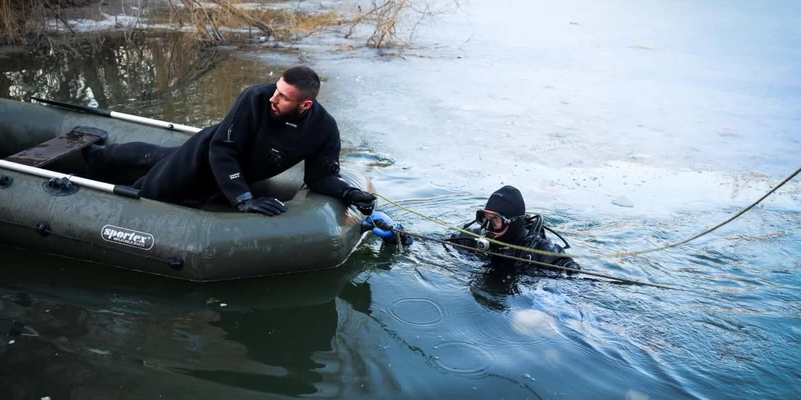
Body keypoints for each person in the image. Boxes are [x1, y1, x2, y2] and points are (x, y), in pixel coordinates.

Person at [83, 66, 377, 216]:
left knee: (161, 156)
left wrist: (350, 195)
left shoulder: (323, 129)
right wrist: (244, 199)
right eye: (276, 89)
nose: (273, 98)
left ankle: (98, 156)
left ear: (305, 105)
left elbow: (320, 178)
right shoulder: (256, 97)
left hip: (234, 168)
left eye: (283, 97)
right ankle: (94, 161)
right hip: (203, 155)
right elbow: (223, 150)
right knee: (148, 189)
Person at [366, 185, 580, 273]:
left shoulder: (540, 251)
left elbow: (573, 273)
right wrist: (400, 237)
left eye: (495, 221)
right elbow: (435, 244)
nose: (487, 228)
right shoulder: (476, 239)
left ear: (513, 222)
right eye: (484, 219)